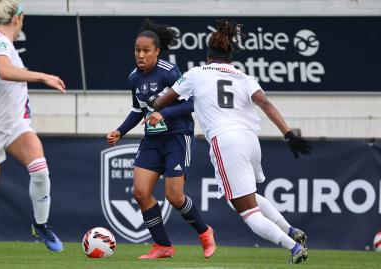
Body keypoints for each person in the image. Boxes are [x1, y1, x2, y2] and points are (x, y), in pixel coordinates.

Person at [151, 20, 312, 264]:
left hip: (226, 141)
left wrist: (154, 101)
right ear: (230, 56)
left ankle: (292, 247)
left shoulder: (196, 74)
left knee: (247, 211)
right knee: (247, 195)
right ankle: (290, 230)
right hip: (250, 140)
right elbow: (265, 103)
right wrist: (288, 134)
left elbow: (162, 101)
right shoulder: (245, 77)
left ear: (208, 55)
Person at [0, 0, 66, 258]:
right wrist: (42, 76)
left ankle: (40, 225)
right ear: (17, 19)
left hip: (15, 125)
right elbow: (4, 73)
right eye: (22, 22)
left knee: (40, 170)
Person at [106, 19, 215, 259]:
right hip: (152, 141)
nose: (141, 55)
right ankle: (163, 246)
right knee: (140, 192)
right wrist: (119, 132)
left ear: (157, 51)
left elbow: (190, 104)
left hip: (177, 137)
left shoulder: (169, 72)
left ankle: (205, 232)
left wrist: (162, 113)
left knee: (174, 196)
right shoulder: (134, 77)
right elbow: (138, 110)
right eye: (137, 50)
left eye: (146, 51)